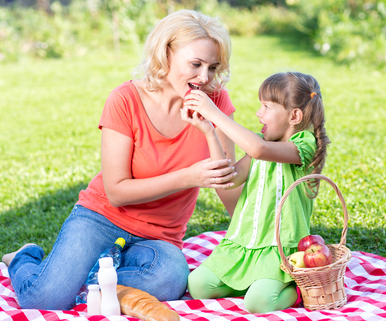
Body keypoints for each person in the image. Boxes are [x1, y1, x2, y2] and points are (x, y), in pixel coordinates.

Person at [1, 9, 241, 310]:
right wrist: (189, 177)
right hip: (101, 217)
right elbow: (116, 191)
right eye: (195, 64)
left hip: (160, 236)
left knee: (170, 280)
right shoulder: (125, 99)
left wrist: (212, 128)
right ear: (165, 53)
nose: (204, 78)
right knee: (44, 298)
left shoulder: (216, 102)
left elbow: (229, 188)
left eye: (213, 67)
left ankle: (94, 275)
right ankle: (25, 257)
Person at [182, 71, 331, 313]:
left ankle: (298, 289)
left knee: (259, 304)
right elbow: (228, 180)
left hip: (278, 250)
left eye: (266, 106)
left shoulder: (303, 145)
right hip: (245, 244)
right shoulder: (260, 142)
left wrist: (215, 113)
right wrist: (209, 130)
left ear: (294, 116)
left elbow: (259, 149)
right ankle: (253, 282)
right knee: (198, 286)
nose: (258, 113)